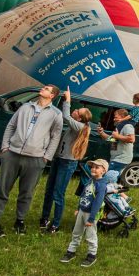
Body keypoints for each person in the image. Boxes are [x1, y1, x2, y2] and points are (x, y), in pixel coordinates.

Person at [0, 84, 63, 237]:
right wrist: (5, 148)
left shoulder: (56, 114)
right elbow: (11, 126)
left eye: (47, 89)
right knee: (2, 188)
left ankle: (20, 220)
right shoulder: (25, 107)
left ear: (52, 96)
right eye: (44, 87)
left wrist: (46, 158)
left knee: (26, 192)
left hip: (36, 159)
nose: (43, 89)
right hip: (12, 154)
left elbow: (56, 137)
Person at [39, 88, 92, 233]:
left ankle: (55, 224)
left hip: (67, 163)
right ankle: (44, 218)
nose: (74, 111)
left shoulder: (80, 127)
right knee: (49, 190)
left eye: (78, 111)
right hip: (59, 160)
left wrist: (68, 100)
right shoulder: (78, 125)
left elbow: (66, 116)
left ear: (80, 118)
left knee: (58, 194)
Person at [59, 158, 111, 267]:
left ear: (103, 171)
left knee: (90, 235)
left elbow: (97, 203)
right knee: (76, 232)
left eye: (97, 167)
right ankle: (71, 252)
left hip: (91, 214)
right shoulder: (90, 180)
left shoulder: (101, 185)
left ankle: (92, 255)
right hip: (82, 211)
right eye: (92, 167)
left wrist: (91, 219)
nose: (93, 169)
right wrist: (78, 208)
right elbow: (83, 195)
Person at [97, 108, 135, 175]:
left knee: (108, 178)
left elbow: (132, 139)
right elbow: (112, 140)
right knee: (111, 179)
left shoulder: (127, 126)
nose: (114, 119)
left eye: (116, 117)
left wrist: (117, 136)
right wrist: (101, 133)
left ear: (123, 117)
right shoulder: (118, 127)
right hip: (116, 158)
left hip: (121, 159)